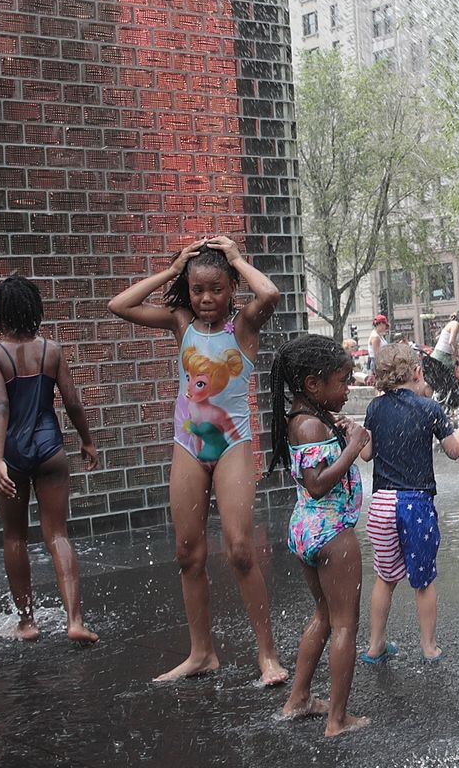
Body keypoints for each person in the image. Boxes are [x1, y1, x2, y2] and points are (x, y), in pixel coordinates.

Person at [107, 236, 289, 684]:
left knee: (241, 550)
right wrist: (172, 271)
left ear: (230, 289)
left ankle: (267, 656)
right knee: (188, 553)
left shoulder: (244, 326)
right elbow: (119, 305)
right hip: (188, 445)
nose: (206, 299)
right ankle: (201, 653)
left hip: (231, 447)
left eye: (217, 289)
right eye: (197, 289)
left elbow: (269, 294)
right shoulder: (180, 322)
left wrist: (237, 259)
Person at [0, 273, 99, 644]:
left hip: (13, 452)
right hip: (50, 448)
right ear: (35, 310)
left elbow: (0, 404)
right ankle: (74, 620)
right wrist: (87, 441)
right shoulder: (52, 351)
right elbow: (73, 401)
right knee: (57, 534)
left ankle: (27, 622)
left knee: (15, 536)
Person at [271, 334, 373, 737]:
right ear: (314, 384)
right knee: (346, 624)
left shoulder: (305, 419)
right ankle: (337, 719)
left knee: (325, 616)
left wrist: (350, 435)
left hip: (307, 527)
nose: (348, 389)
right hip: (330, 530)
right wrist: (350, 446)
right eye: (343, 381)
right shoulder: (311, 424)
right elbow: (317, 483)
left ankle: (298, 698)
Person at [360, 342, 459, 664]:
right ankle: (429, 647)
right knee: (423, 580)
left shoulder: (375, 409)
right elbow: (454, 451)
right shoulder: (429, 408)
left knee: (385, 577)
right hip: (414, 505)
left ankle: (376, 645)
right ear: (417, 372)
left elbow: (366, 454)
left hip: (380, 504)